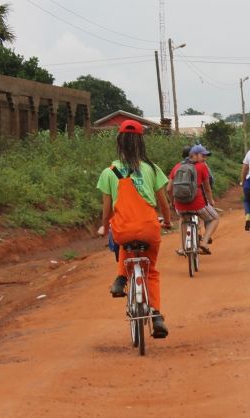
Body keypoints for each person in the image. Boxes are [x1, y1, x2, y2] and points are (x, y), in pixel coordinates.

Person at [97, 120, 171, 338]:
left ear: (119, 141)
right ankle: (156, 315)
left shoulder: (109, 172)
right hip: (149, 228)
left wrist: (104, 226)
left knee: (121, 242)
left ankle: (121, 278)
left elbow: (107, 211)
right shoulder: (151, 168)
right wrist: (167, 221)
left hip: (123, 229)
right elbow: (164, 204)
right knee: (152, 271)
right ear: (141, 142)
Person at [168, 145, 219, 255]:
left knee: (182, 219)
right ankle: (204, 243)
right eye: (202, 155)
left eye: (206, 156)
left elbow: (168, 189)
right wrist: (211, 201)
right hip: (198, 205)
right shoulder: (202, 167)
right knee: (214, 218)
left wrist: (172, 201)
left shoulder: (177, 167)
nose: (205, 158)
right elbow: (207, 188)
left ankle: (182, 248)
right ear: (194, 155)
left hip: (180, 205)